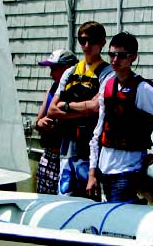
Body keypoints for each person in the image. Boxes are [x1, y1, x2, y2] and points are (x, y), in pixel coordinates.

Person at [86, 32, 153, 202]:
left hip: (128, 170)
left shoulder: (143, 89)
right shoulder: (107, 84)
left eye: (121, 56)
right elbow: (98, 131)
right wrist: (92, 172)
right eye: (112, 54)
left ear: (133, 58)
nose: (115, 60)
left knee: (116, 223)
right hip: (104, 169)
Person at [47, 21, 113, 199]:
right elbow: (51, 110)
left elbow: (95, 107)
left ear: (102, 43)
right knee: (64, 198)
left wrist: (67, 107)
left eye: (92, 41)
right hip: (68, 149)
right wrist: (82, 110)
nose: (87, 46)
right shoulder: (70, 72)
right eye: (82, 40)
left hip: (92, 152)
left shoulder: (107, 73)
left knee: (91, 198)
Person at [35, 49, 79, 194]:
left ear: (67, 69)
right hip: (48, 156)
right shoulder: (52, 90)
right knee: (43, 200)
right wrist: (40, 124)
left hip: (67, 159)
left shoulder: (78, 92)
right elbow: (38, 121)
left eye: (54, 69)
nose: (51, 73)